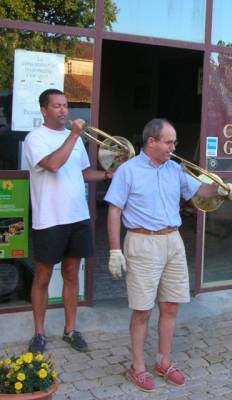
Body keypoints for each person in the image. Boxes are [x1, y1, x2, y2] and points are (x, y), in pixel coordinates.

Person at [105, 118, 232, 392]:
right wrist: (115, 250)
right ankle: (137, 367)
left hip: (172, 241)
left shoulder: (174, 169)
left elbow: (199, 190)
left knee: (170, 306)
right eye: (169, 142)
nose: (173, 147)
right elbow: (114, 211)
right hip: (142, 242)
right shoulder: (127, 171)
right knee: (142, 309)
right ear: (151, 141)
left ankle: (163, 361)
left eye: (174, 142)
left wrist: (223, 190)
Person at [24, 88, 111, 354]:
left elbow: (84, 174)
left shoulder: (74, 139)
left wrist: (109, 176)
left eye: (65, 105)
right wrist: (74, 135)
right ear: (44, 110)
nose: (63, 110)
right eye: (57, 106)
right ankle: (39, 332)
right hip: (50, 219)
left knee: (72, 275)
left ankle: (70, 330)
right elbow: (52, 164)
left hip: (78, 217)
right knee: (42, 276)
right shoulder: (34, 138)